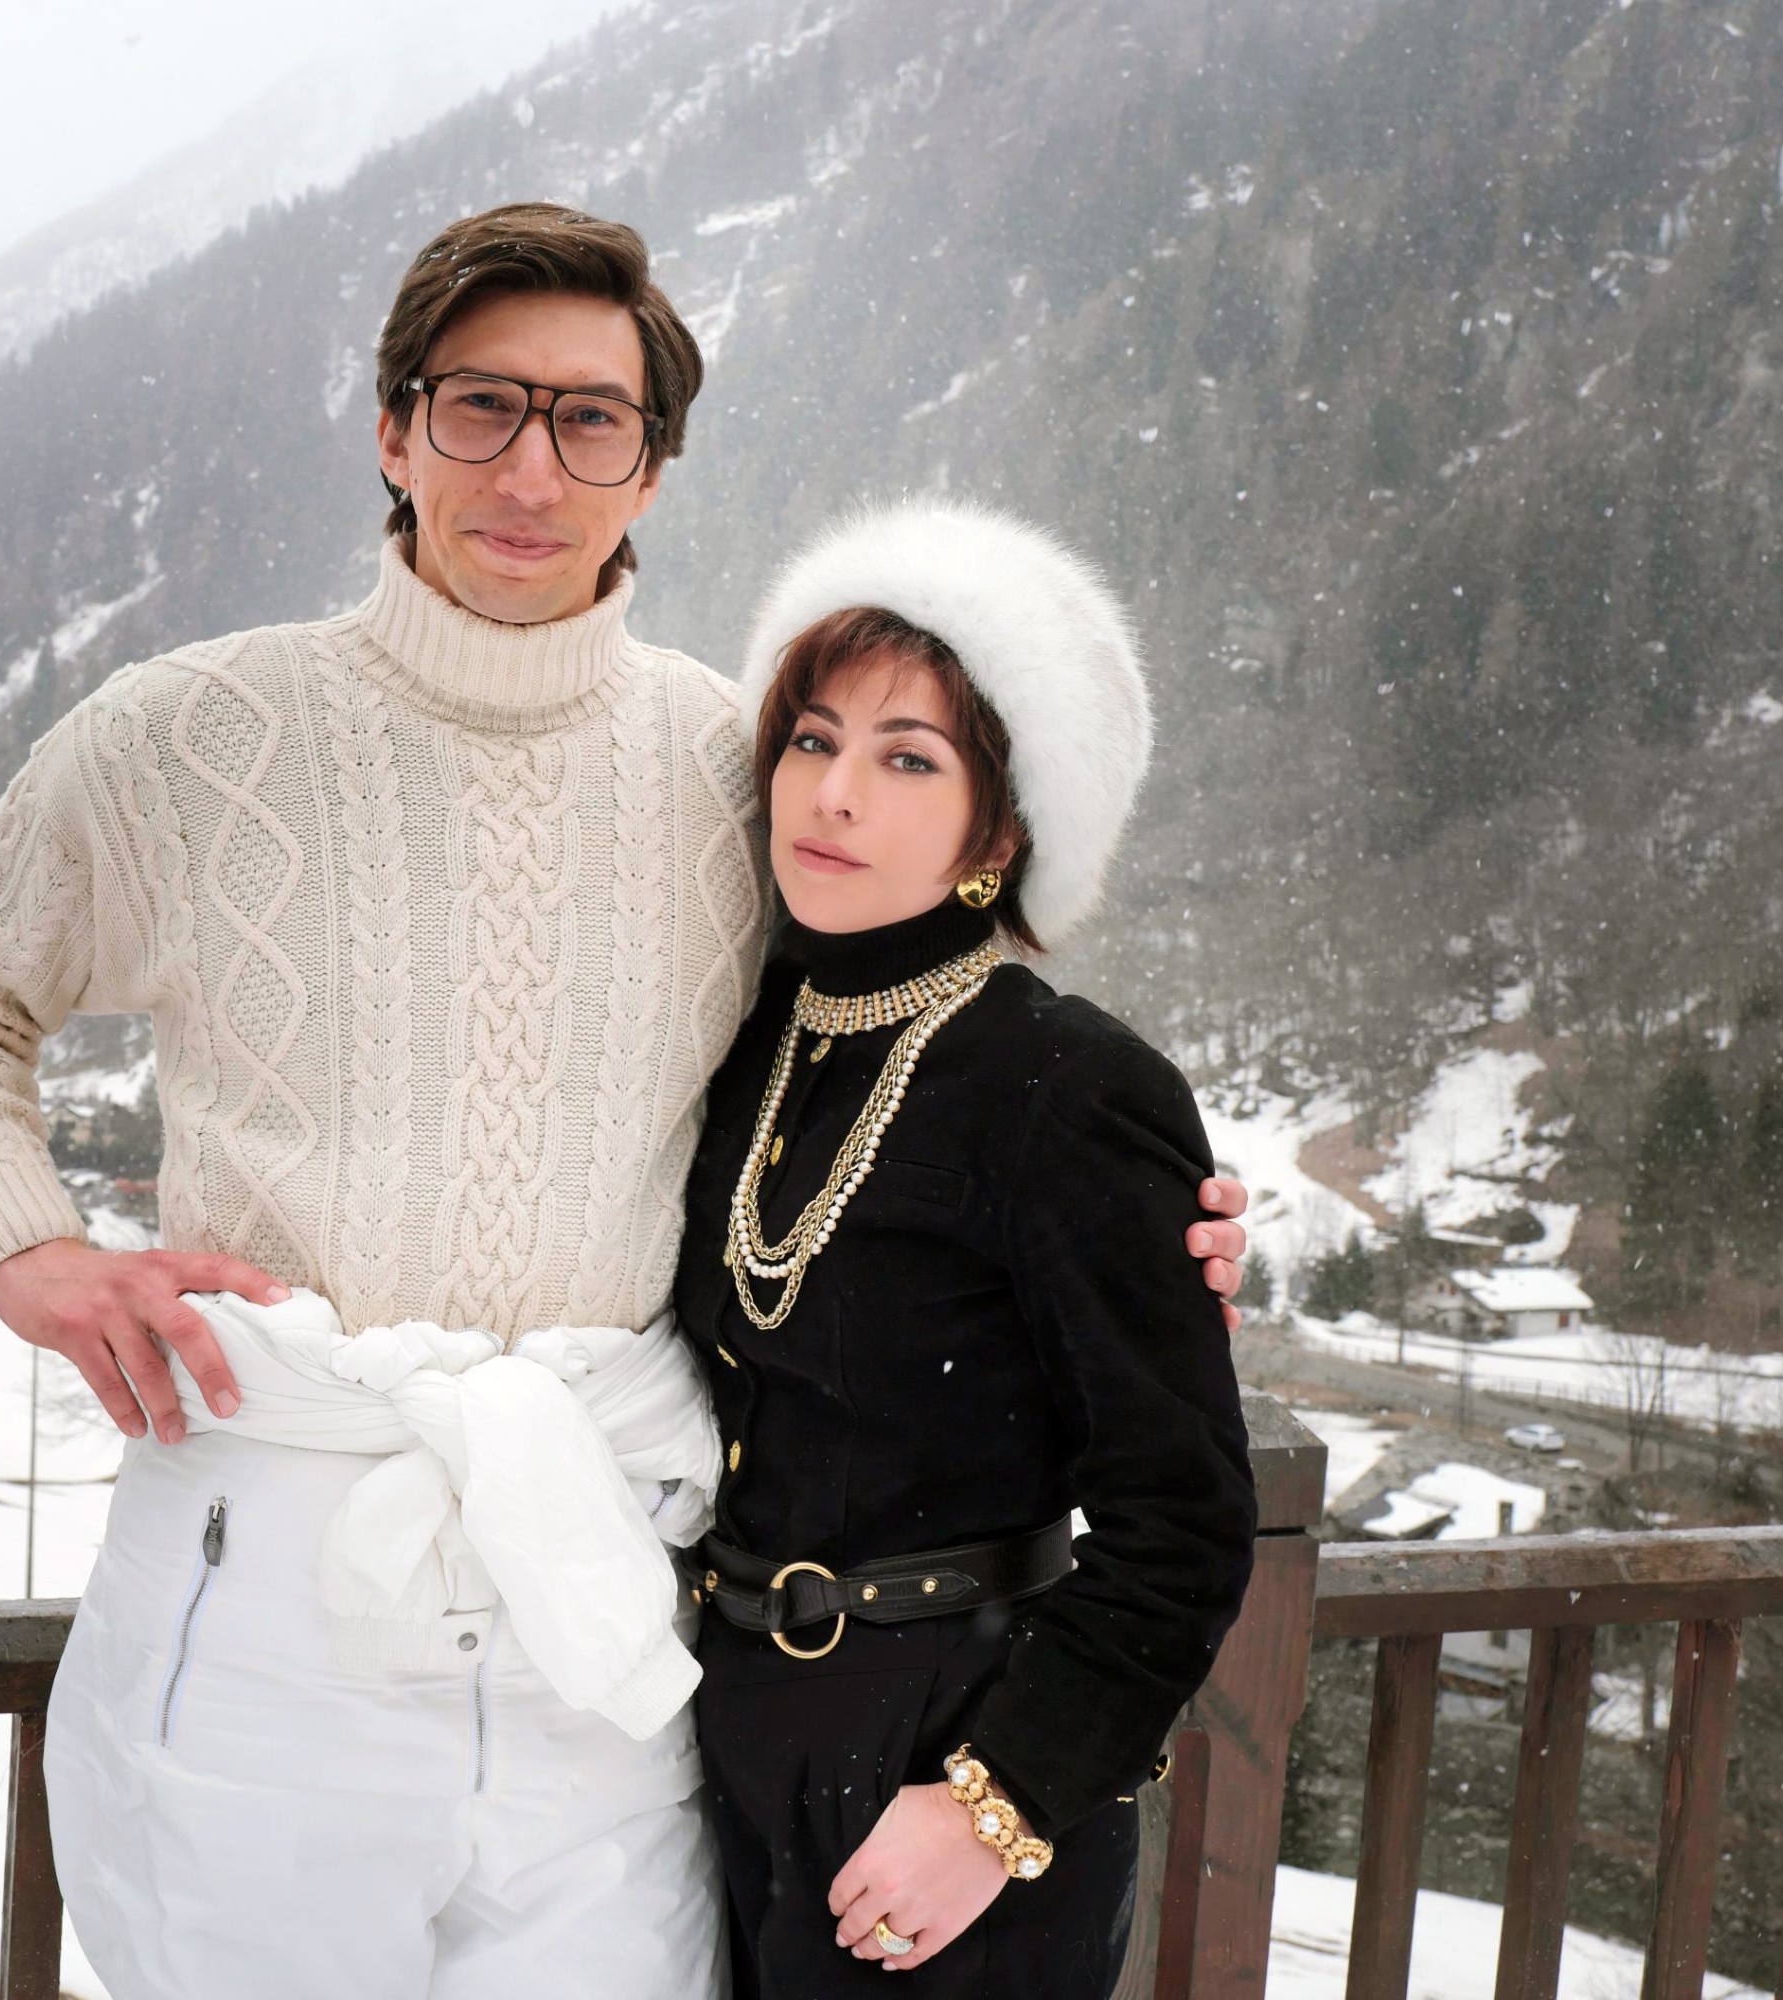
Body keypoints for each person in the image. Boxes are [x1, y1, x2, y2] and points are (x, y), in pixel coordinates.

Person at [0, 204, 1252, 2000]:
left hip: (605, 1597)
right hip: (279, 1549)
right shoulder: (187, 734)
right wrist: (30, 1254)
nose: (531, 468)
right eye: (480, 405)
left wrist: (1160, 1228)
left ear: (651, 469)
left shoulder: (731, 768)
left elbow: (908, 1041)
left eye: (590, 419)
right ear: (393, 431)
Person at [676, 500, 1258, 1996]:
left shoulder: (1071, 1085)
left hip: (949, 1762)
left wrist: (998, 1803)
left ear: (999, 832)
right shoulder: (743, 1038)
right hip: (729, 1742)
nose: (835, 794)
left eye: (908, 758)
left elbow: (1184, 1521)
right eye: (813, 739)